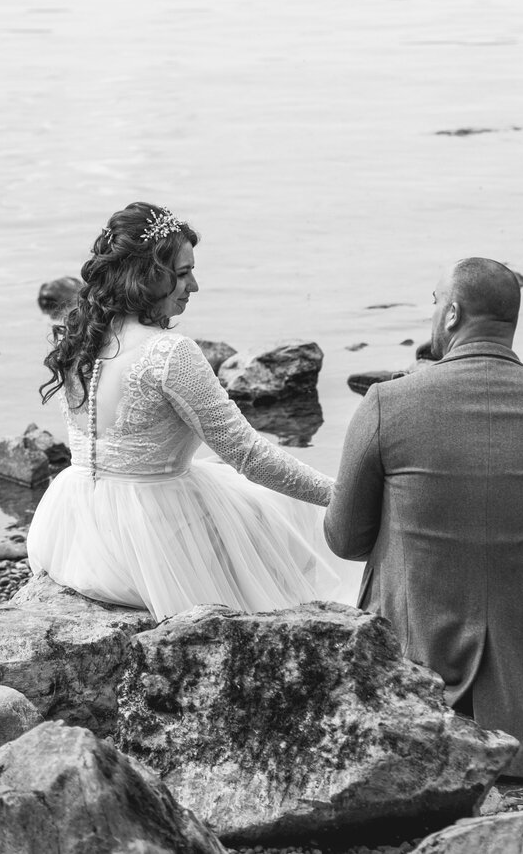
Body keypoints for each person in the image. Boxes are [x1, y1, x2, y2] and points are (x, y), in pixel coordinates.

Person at [324, 256, 523, 778]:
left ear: (451, 316)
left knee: (390, 537)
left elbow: (343, 537)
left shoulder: (385, 403)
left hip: (420, 701)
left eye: (433, 303)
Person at [27, 201, 342, 615]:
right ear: (146, 276)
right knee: (286, 512)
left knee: (247, 499)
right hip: (147, 548)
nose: (194, 286)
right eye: (182, 273)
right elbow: (247, 455)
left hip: (72, 536)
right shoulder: (169, 352)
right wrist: (341, 495)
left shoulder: (81, 338)